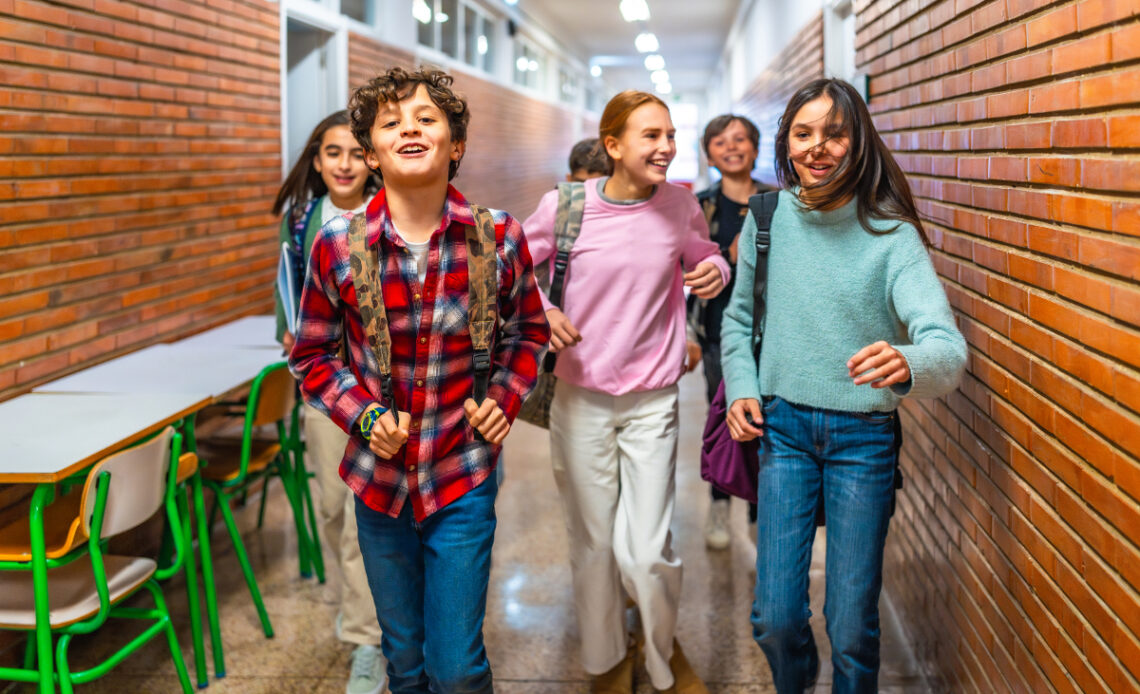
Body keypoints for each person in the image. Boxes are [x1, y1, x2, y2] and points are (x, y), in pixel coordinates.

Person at [289, 67, 550, 694]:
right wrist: (364, 416)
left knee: (456, 669)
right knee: (403, 663)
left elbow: (528, 333)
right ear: (372, 152)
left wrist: (504, 398)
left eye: (426, 119)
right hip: (378, 484)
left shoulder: (497, 238)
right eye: (390, 123)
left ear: (455, 145)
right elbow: (312, 356)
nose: (409, 128)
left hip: (461, 473)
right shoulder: (335, 245)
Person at [721, 78, 966, 694]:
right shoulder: (768, 217)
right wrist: (742, 387)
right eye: (803, 133)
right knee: (775, 617)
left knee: (852, 624)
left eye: (835, 133)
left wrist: (908, 362)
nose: (818, 147)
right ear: (786, 143)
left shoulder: (891, 236)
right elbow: (739, 319)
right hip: (785, 431)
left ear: (859, 143)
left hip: (864, 437)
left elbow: (946, 346)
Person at [523, 90, 729, 694]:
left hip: (653, 400)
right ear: (612, 145)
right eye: (650, 136)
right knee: (592, 543)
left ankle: (661, 656)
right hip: (579, 396)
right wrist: (542, 311)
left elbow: (706, 255)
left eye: (670, 135)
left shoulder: (681, 206)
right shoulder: (565, 206)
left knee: (646, 549)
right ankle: (606, 661)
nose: (666, 147)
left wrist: (713, 270)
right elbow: (507, 269)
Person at [271, 110, 386, 694]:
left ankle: (368, 640)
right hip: (322, 395)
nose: (343, 164)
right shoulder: (300, 221)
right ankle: (362, 614)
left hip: (373, 393)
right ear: (316, 161)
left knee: (361, 520)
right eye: (330, 152)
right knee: (332, 511)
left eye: (353, 152)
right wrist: (291, 338)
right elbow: (285, 297)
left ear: (371, 159)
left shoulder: (389, 215)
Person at [691, 114, 774, 550]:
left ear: (756, 148)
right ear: (709, 154)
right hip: (719, 330)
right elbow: (690, 267)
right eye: (720, 142)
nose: (732, 147)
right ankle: (720, 502)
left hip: (773, 331)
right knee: (724, 416)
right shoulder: (701, 206)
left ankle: (762, 512)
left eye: (741, 139)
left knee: (768, 421)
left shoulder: (781, 202)